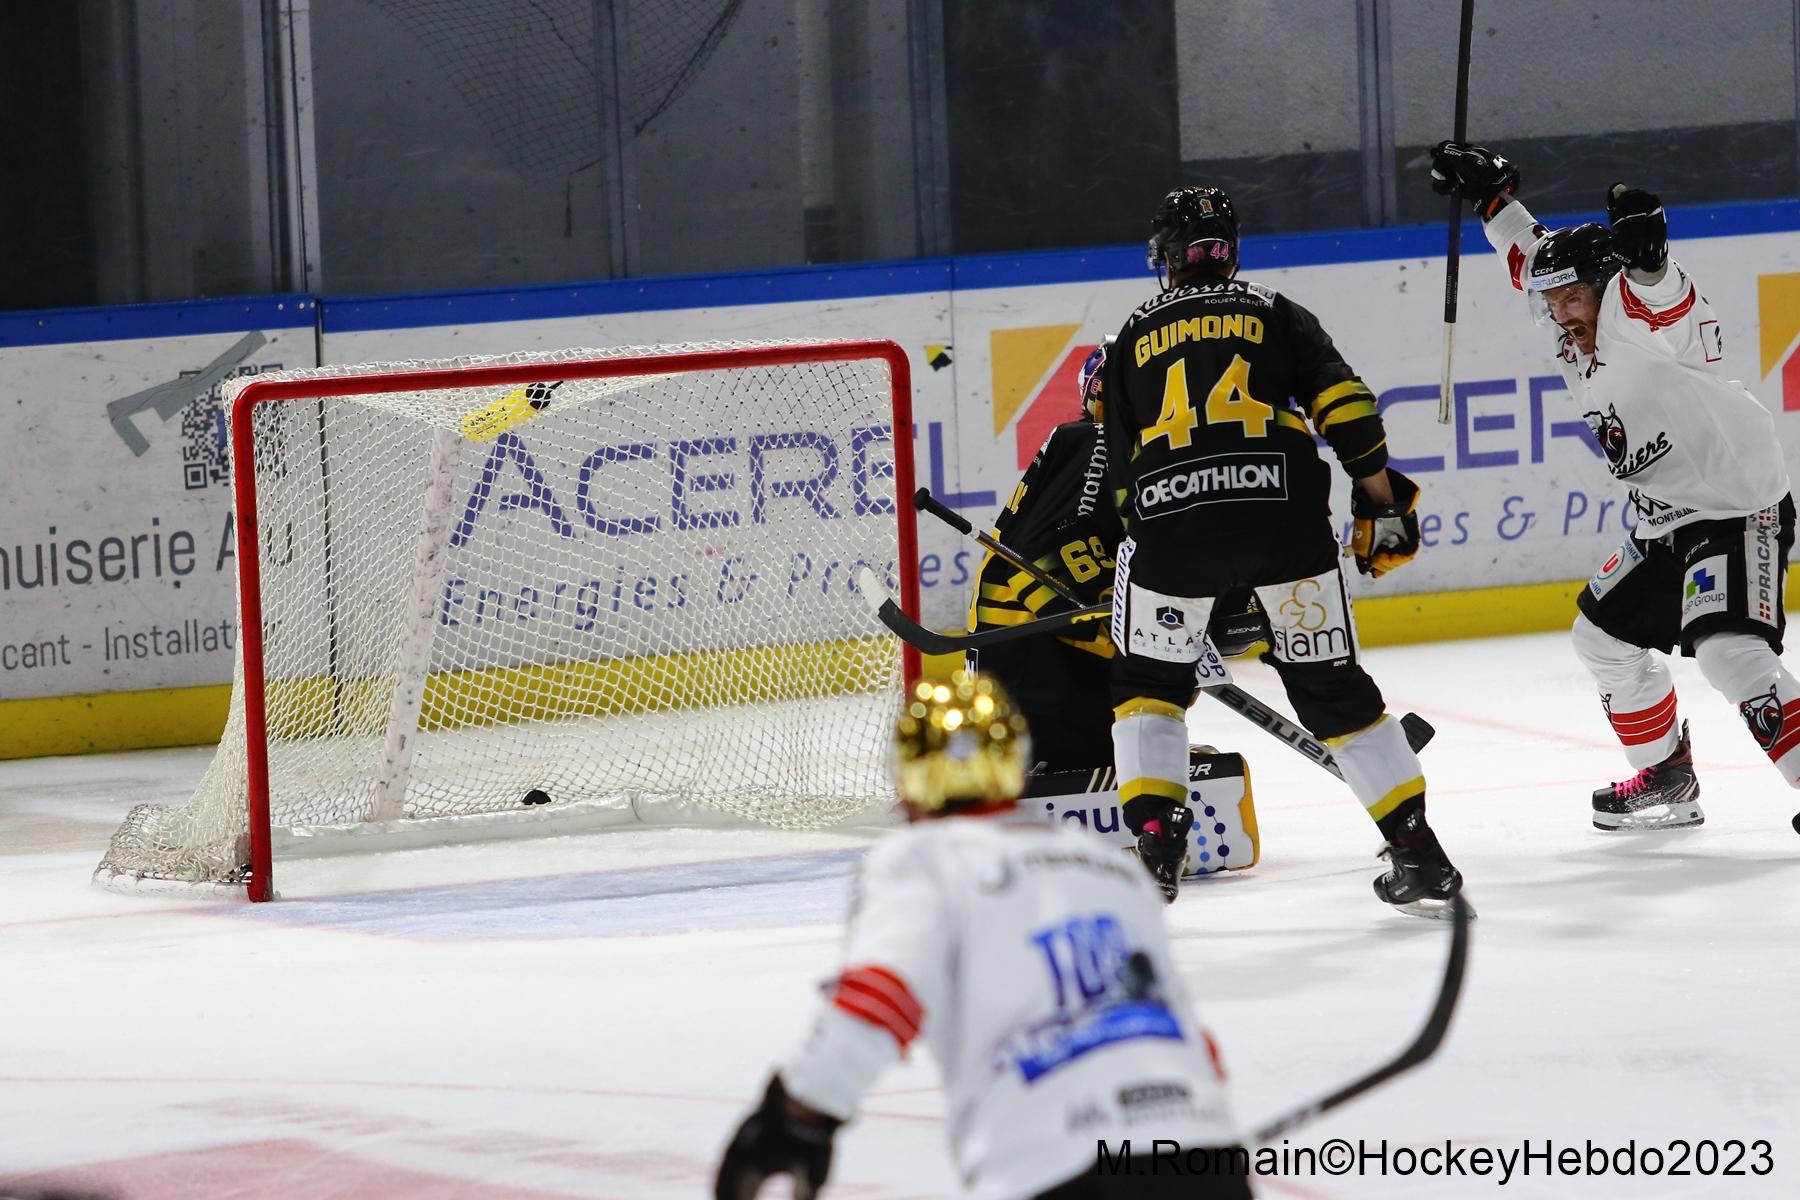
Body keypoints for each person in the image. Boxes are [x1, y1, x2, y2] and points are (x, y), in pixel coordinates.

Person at [715, 670, 1254, 1200]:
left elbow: (881, 998)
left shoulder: (923, 860)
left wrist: (800, 1116)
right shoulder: (1107, 865)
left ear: (906, 782)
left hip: (1050, 1163)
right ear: (1015, 767)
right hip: (1205, 1146)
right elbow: (1195, 1043)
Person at [1098, 186, 1466, 918]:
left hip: (1171, 533)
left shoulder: (1130, 337)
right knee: (1336, 694)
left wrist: (1165, 570)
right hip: (1285, 525)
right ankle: (1418, 851)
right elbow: (1349, 409)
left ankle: (1156, 851)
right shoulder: (1275, 312)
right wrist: (1382, 502)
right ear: (1229, 251)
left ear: (1166, 257)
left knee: (1147, 689)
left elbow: (1115, 478)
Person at [1429, 143, 1796, 830]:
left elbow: (1661, 292)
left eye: (1574, 296)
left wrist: (1649, 253)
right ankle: (1667, 775)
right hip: (1662, 524)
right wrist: (1490, 199)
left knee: (1728, 650)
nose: (1561, 312)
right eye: (1552, 301)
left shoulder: (1634, 311)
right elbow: (1528, 255)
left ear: (1608, 284)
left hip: (1733, 508)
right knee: (1601, 640)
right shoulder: (1575, 327)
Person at [968, 338, 1268, 772]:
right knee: (1160, 672)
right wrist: (1133, 617)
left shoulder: (1132, 464)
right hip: (1030, 682)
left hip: (1040, 677)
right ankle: (1087, 760)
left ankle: (1121, 755)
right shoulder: (1093, 442)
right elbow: (1051, 548)